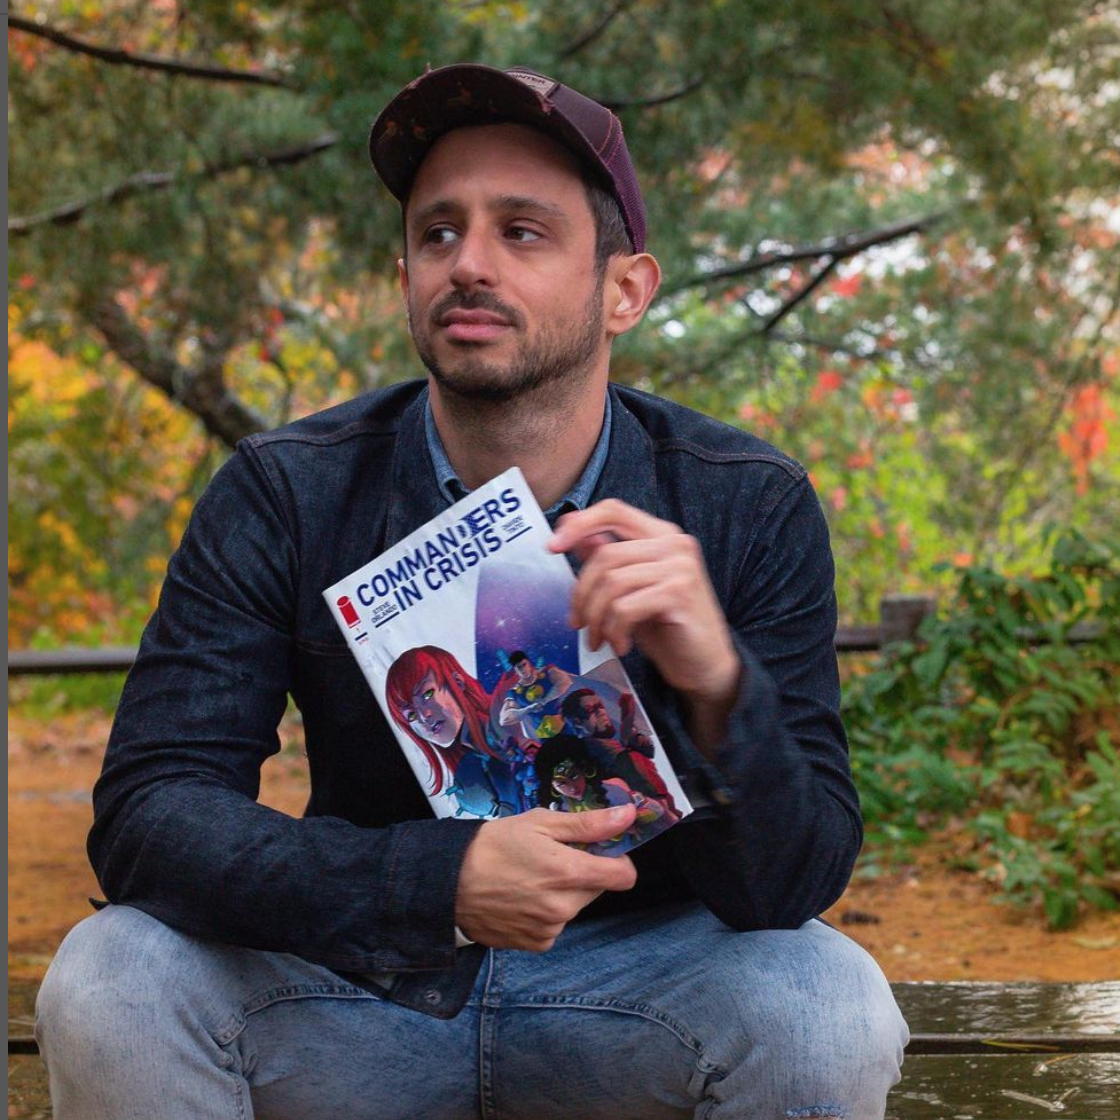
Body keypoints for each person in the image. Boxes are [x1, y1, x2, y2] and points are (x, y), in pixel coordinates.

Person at [35, 63, 908, 1119]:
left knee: (829, 1004)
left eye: (522, 232)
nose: (469, 265)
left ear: (624, 288)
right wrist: (432, 880)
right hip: (358, 983)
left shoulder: (743, 503)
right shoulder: (288, 490)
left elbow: (791, 885)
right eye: (438, 232)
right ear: (403, 271)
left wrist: (718, 682)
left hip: (641, 988)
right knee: (112, 974)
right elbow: (149, 816)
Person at [385, 645, 533, 816]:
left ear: (457, 682)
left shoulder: (501, 731)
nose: (424, 716)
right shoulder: (470, 756)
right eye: (410, 714)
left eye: (427, 694)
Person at [533, 734, 676, 855]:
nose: (571, 787)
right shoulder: (560, 811)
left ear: (584, 770)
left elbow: (656, 810)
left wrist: (630, 820)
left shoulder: (613, 787)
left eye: (574, 776)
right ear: (552, 786)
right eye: (562, 784)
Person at [497, 648, 574, 741]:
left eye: (524, 664)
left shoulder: (546, 672)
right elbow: (504, 720)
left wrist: (544, 701)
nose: (523, 669)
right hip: (545, 735)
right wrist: (528, 709)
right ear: (515, 670)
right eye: (519, 667)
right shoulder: (515, 692)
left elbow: (565, 681)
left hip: (566, 724)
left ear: (529, 662)